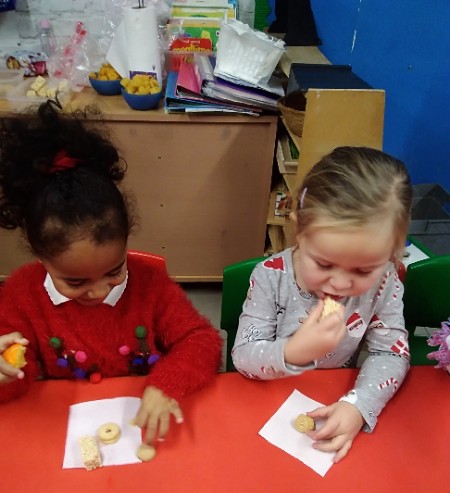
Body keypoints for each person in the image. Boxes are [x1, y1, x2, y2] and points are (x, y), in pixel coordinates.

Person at [0, 100, 222, 444]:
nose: (100, 291)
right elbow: (14, 384)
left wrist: (167, 385)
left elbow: (202, 341)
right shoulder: (21, 296)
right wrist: (6, 373)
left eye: (114, 271)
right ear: (40, 257)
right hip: (62, 431)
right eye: (75, 281)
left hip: (140, 427)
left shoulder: (149, 284)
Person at [233, 146, 412, 462]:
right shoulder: (270, 277)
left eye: (363, 271)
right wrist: (291, 353)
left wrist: (358, 405)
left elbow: (391, 352)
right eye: (324, 264)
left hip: (335, 395)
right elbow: (243, 356)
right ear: (299, 232)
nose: (340, 284)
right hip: (266, 401)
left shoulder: (384, 281)